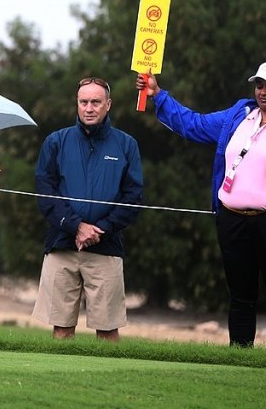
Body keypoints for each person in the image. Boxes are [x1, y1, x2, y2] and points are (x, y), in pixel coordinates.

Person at [137, 66, 266, 347]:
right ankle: (240, 357)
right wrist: (158, 95)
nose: (263, 91)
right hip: (232, 219)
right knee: (241, 295)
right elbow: (193, 124)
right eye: (259, 85)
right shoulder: (239, 116)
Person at [32, 77, 143, 342]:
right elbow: (46, 193)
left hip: (106, 246)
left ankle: (110, 382)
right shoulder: (56, 141)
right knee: (61, 328)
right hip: (62, 244)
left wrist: (100, 228)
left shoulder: (126, 145)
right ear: (77, 104)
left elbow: (133, 197)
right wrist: (76, 226)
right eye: (84, 102)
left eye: (96, 102)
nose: (89, 108)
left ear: (108, 105)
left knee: (107, 330)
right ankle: (59, 381)